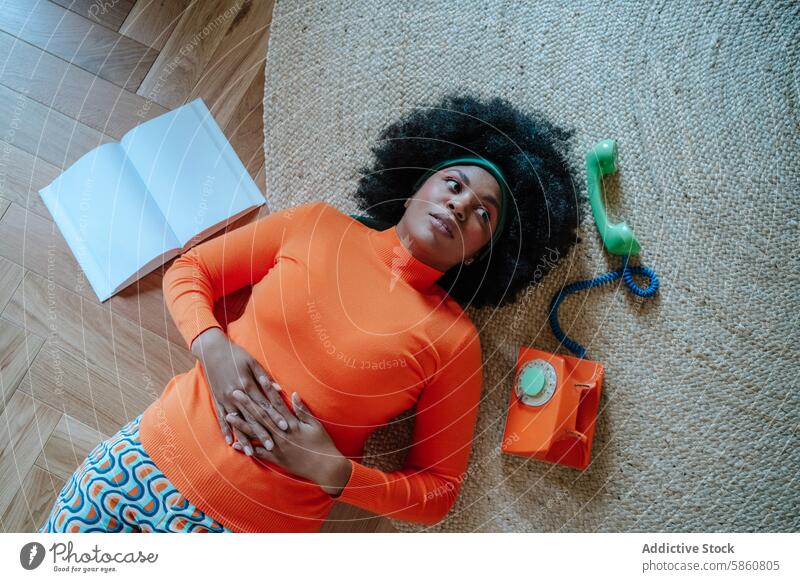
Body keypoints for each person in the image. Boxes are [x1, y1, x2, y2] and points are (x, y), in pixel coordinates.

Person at [40, 92, 581, 533]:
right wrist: (213, 347)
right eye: (454, 183)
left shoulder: (455, 342)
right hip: (141, 462)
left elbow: (438, 492)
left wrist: (334, 471)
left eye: (483, 214)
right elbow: (190, 272)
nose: (461, 205)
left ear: (484, 253)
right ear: (418, 181)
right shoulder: (318, 225)